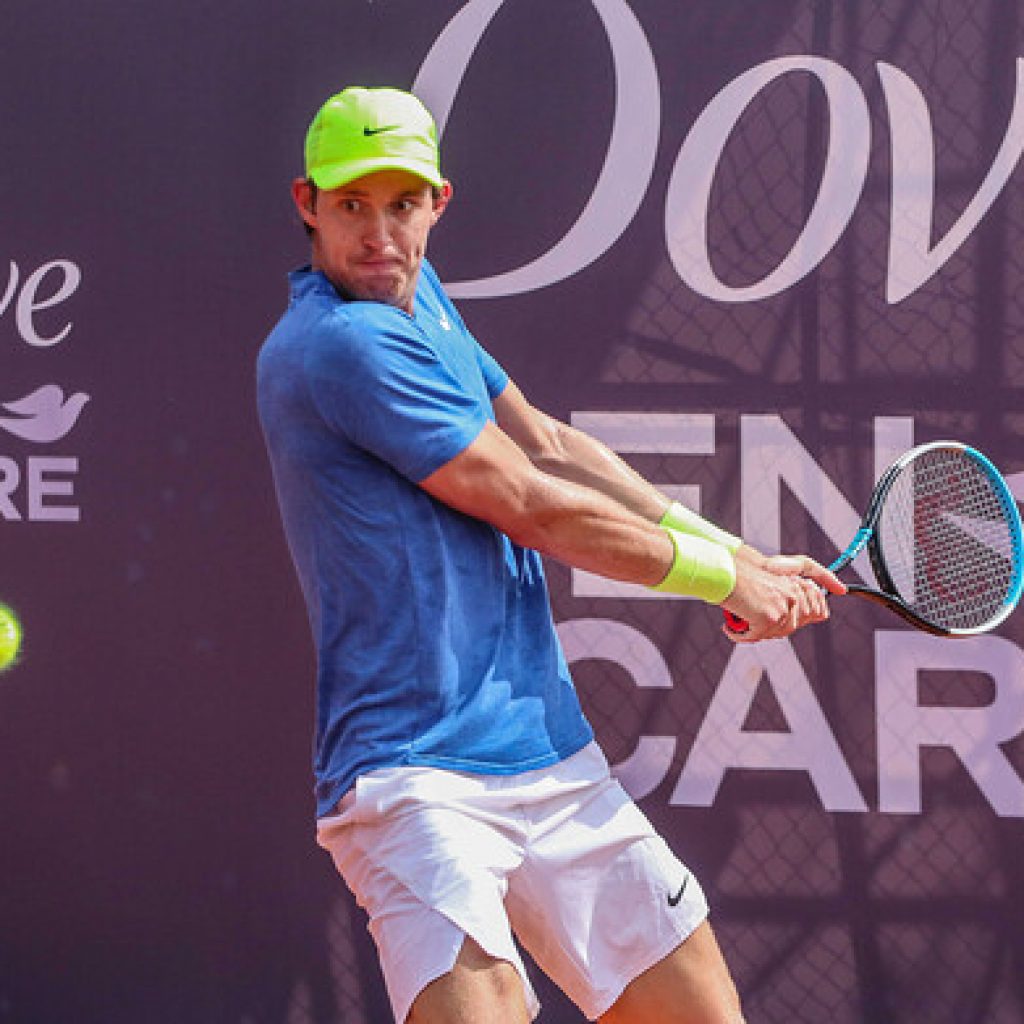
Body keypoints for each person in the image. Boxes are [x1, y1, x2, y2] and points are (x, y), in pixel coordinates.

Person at [257, 86, 845, 1024]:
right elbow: (526, 502)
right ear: (306, 204)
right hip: (416, 784)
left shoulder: (420, 297)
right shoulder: (340, 346)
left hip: (550, 759)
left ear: (437, 202)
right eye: (351, 206)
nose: (378, 235)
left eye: (401, 205)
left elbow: (546, 445)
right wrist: (724, 581)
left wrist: (738, 552)